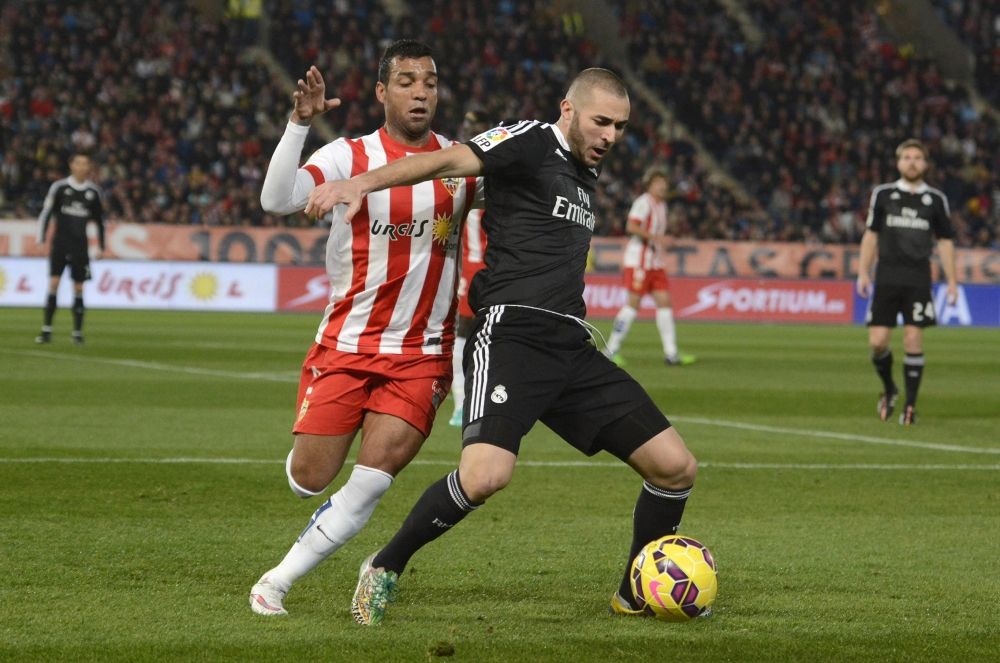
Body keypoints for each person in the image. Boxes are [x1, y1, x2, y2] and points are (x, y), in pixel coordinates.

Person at [305, 68, 700, 626]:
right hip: (511, 336)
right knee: (485, 476)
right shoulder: (531, 140)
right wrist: (362, 183)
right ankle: (384, 564)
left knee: (676, 468)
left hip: (571, 346)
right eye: (602, 121)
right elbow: (447, 161)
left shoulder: (583, 173)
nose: (611, 135)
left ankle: (635, 592)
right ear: (568, 110)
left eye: (620, 127)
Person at [248, 39, 481, 617]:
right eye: (406, 81)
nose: (420, 92)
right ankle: (310, 496)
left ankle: (275, 582)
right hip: (346, 343)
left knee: (374, 479)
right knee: (309, 478)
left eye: (429, 82)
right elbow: (276, 200)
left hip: (422, 353)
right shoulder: (348, 155)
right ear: (381, 91)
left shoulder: (459, 164)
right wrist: (299, 125)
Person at [856, 138, 957, 426]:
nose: (912, 162)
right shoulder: (883, 194)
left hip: (918, 277)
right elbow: (871, 235)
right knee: (878, 342)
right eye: (907, 157)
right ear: (898, 163)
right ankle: (890, 388)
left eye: (917, 158)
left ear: (925, 164)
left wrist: (952, 281)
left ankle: (910, 407)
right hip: (886, 275)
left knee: (913, 338)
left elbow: (945, 241)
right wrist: (863, 271)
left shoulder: (935, 200)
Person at [603, 166, 694, 367]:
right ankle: (610, 350)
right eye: (658, 183)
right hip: (639, 262)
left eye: (665, 183)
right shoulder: (643, 202)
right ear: (650, 185)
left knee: (665, 303)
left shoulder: (662, 205)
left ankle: (671, 353)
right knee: (632, 305)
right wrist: (658, 238)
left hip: (655, 263)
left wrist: (662, 241)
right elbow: (631, 226)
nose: (663, 186)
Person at [34, 152, 105, 346]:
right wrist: (40, 240)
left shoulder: (93, 192)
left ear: (89, 167)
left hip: (80, 246)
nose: (82, 167)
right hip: (60, 244)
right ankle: (46, 330)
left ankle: (77, 333)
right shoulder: (59, 187)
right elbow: (46, 213)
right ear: (71, 165)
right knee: (54, 283)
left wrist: (101, 246)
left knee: (79, 287)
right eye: (78, 163)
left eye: (85, 164)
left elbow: (100, 221)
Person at [449, 110, 491, 427]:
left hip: (477, 268)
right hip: (487, 269)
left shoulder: (461, 174)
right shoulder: (494, 176)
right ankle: (468, 403)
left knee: (464, 335)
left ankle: (464, 403)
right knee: (478, 335)